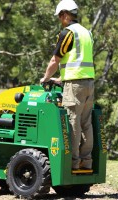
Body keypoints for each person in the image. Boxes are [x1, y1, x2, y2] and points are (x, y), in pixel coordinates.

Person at [40, 0, 95, 170]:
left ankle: (72, 163)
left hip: (75, 85)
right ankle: (86, 162)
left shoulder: (68, 33)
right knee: (86, 123)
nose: (59, 20)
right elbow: (78, 61)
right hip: (88, 83)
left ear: (64, 14)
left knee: (73, 122)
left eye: (59, 16)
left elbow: (55, 60)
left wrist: (46, 77)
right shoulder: (87, 33)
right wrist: (62, 79)